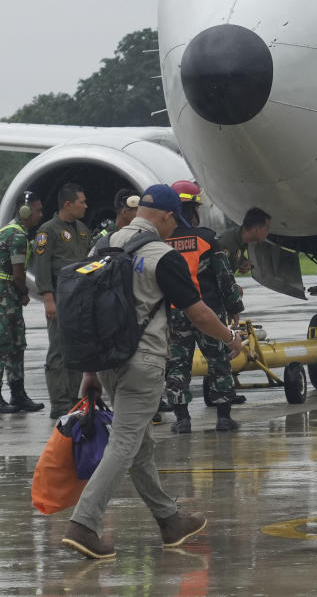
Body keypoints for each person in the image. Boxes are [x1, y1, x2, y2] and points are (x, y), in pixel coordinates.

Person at [62, 184, 244, 560]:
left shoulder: (103, 246)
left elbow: (90, 312)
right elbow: (198, 312)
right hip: (143, 364)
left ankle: (169, 519)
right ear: (162, 216)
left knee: (141, 444)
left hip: (108, 362)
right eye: (173, 221)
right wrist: (231, 338)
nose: (174, 229)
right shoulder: (163, 255)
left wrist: (90, 371)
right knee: (126, 444)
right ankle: (84, 523)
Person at [162, 181, 246, 433]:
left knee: (177, 365)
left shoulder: (161, 241)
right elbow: (225, 278)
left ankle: (182, 419)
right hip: (208, 311)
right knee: (218, 361)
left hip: (174, 313)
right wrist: (235, 307)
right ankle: (223, 418)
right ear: (195, 208)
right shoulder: (208, 239)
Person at [34, 182, 92, 418]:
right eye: (82, 202)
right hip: (60, 297)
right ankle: (59, 402)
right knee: (59, 349)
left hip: (81, 298)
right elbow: (42, 267)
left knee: (77, 348)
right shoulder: (48, 231)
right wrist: (48, 298)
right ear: (68, 204)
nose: (86, 206)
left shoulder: (82, 230)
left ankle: (73, 397)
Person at [0, 191, 45, 413]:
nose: (40, 215)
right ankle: (13, 395)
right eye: (37, 210)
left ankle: (18, 395)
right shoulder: (17, 237)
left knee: (16, 344)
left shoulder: (9, 231)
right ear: (24, 211)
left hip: (8, 298)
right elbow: (18, 275)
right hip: (6, 298)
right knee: (7, 346)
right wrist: (24, 293)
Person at [217, 207, 272, 275]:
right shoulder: (226, 244)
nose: (267, 233)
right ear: (256, 230)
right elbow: (217, 274)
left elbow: (235, 254)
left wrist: (242, 262)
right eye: (266, 229)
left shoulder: (242, 239)